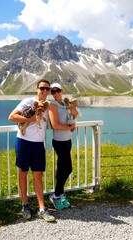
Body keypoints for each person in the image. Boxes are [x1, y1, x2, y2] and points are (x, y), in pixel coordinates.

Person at [8, 79, 55, 222]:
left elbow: (55, 121)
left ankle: (42, 208)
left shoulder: (48, 106)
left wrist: (71, 119)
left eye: (48, 89)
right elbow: (12, 117)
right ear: (37, 89)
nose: (45, 91)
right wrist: (32, 119)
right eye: (42, 88)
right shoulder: (28, 101)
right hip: (23, 142)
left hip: (38, 144)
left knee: (38, 175)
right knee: (23, 173)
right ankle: (25, 205)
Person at [48, 82, 78, 210]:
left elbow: (75, 114)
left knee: (63, 168)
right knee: (66, 168)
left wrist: (72, 107)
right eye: (53, 92)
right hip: (59, 141)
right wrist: (69, 127)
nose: (55, 93)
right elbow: (55, 125)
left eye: (57, 90)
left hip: (67, 140)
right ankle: (56, 195)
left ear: (61, 90)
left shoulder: (65, 103)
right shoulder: (52, 105)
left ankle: (58, 194)